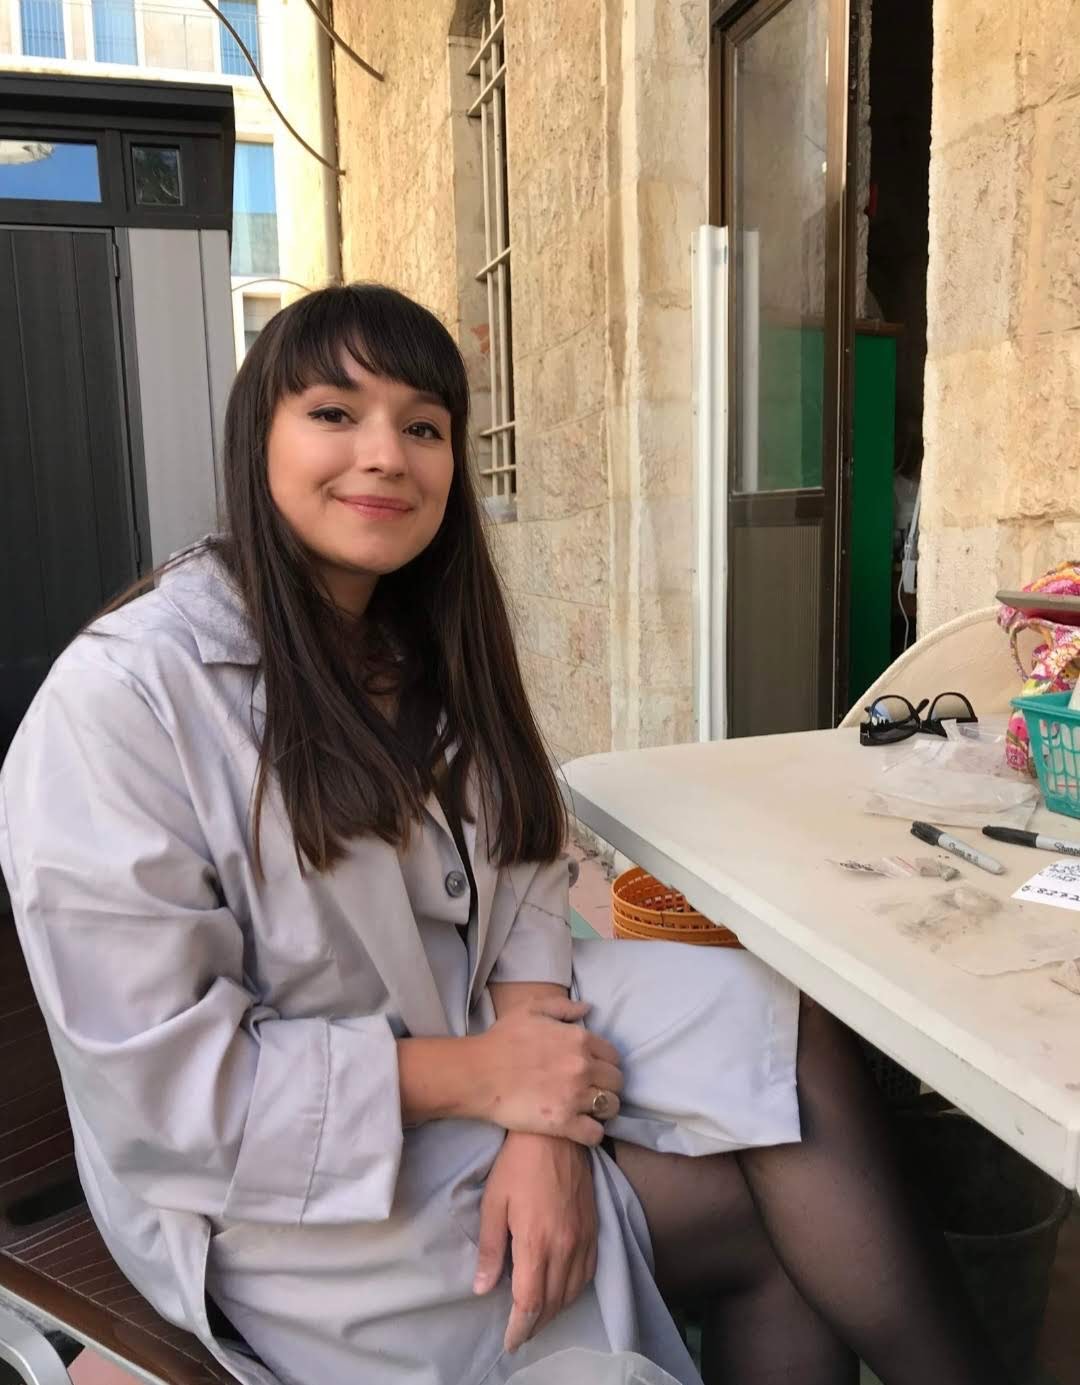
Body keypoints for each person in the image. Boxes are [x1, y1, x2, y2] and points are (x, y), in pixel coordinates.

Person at [0, 284, 1009, 1385]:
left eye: (423, 426)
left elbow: (525, 864)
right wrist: (485, 1078)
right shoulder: (124, 702)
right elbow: (175, 1100)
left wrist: (544, 1118)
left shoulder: (417, 635)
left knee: (782, 1029)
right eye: (334, 413)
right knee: (772, 1226)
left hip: (476, 1028)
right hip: (286, 1184)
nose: (386, 454)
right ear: (258, 439)